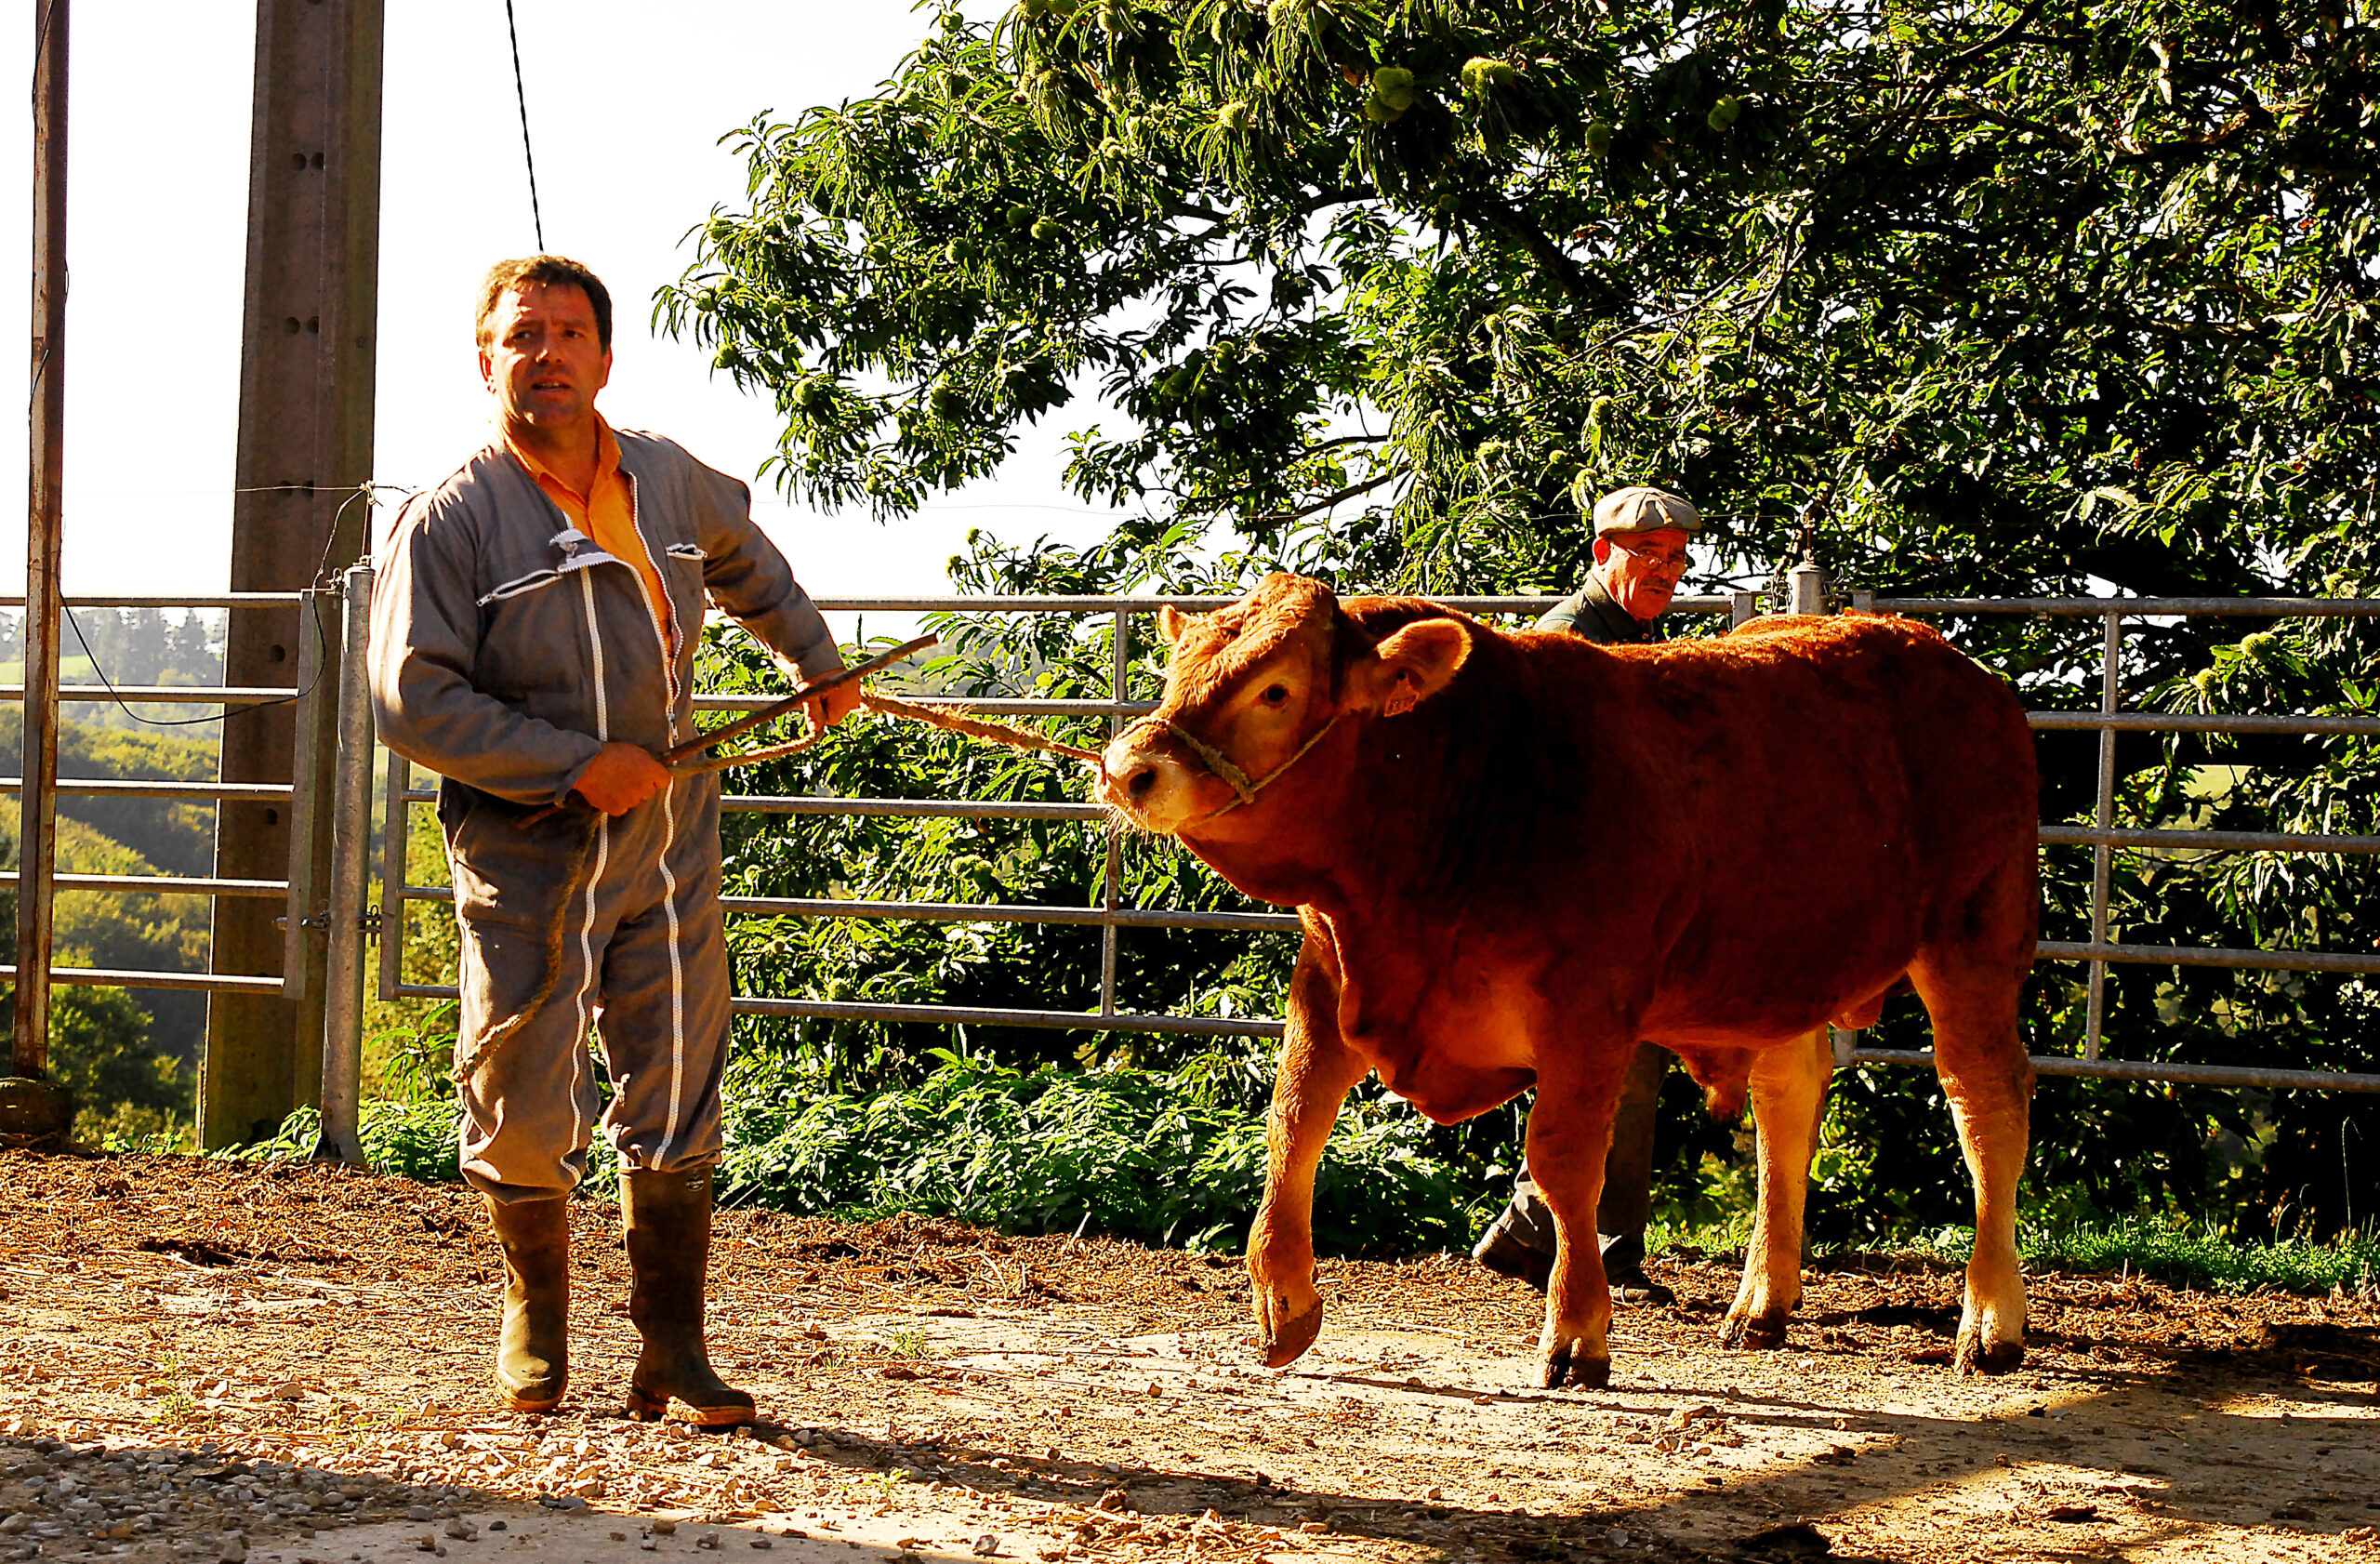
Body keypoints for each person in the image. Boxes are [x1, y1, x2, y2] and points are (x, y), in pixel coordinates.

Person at [369, 255, 858, 1425]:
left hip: (672, 833)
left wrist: (812, 656)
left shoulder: (669, 480)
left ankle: (672, 1350)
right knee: (524, 1086)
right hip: (528, 847)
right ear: (484, 359)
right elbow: (410, 698)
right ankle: (534, 1317)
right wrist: (570, 761)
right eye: (523, 335)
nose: (548, 355)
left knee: (679, 1066)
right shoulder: (453, 519)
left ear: (604, 355)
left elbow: (750, 557)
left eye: (570, 332)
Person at [1469, 484, 1699, 1304]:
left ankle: (1539, 1230)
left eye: (1676, 558)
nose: (1667, 571)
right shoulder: (1570, 643)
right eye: (1649, 555)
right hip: (1561, 898)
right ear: (1603, 554)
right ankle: (1592, 1246)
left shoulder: (1633, 635)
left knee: (1615, 1061)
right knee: (1619, 1061)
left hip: (1606, 894)